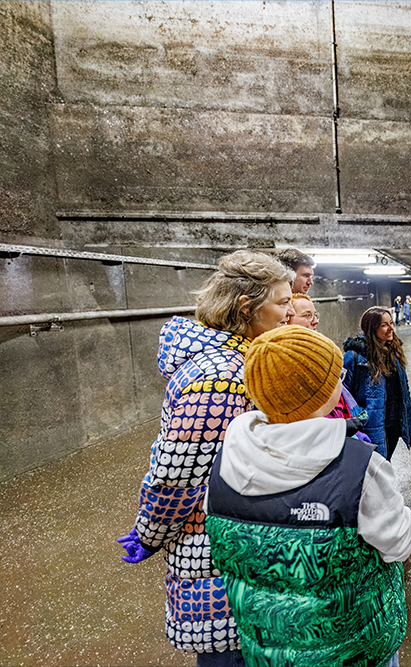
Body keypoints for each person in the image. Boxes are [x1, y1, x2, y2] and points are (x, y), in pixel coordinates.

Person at [116, 250, 295, 666]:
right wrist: (149, 533)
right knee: (232, 655)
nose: (291, 311)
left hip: (234, 547)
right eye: (282, 302)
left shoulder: (240, 358)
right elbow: (179, 474)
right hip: (216, 557)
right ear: (246, 307)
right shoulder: (219, 378)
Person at [204, 325, 411, 667]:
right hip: (353, 650)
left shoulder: (224, 467)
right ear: (320, 392)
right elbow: (399, 544)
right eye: (336, 376)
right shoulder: (359, 468)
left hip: (268, 650)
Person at [343, 307, 411, 461]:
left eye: (391, 323)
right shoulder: (355, 356)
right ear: (371, 328)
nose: (391, 328)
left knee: (385, 463)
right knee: (372, 468)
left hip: (392, 423)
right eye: (384, 325)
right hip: (371, 425)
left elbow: (402, 389)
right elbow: (343, 393)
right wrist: (361, 417)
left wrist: (404, 420)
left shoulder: (394, 350)